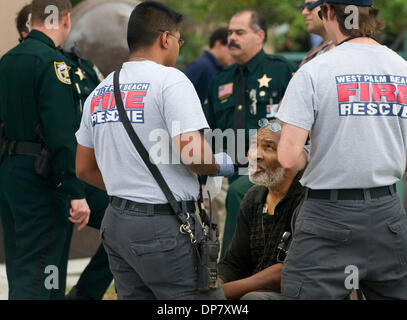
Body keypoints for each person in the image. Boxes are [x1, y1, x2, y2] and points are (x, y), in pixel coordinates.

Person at [75, 1, 234, 300]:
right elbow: (193, 155)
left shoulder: (100, 91)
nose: (178, 46)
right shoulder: (170, 80)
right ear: (165, 38)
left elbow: (83, 168)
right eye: (179, 39)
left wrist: (132, 187)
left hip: (117, 222)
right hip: (163, 227)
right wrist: (221, 164)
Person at [277, 0, 407, 299]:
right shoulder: (401, 68)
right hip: (387, 214)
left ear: (328, 12)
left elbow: (287, 157)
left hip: (327, 215)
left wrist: (318, 154)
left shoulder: (314, 72)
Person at [13, 3, 113, 300]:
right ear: (26, 31)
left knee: (125, 219)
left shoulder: (79, 65)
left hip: (86, 170)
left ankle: (84, 294)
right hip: (51, 171)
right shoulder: (30, 65)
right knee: (45, 263)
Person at [0, 0, 90, 300]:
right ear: (64, 19)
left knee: (22, 264)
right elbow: (61, 135)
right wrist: (75, 191)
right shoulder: (52, 63)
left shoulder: (8, 60)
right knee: (40, 271)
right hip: (40, 177)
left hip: (10, 173)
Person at [204, 10, 296, 257]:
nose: (231, 38)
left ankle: (229, 281)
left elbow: (296, 124)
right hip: (227, 174)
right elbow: (209, 131)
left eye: (239, 32)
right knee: (221, 240)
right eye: (229, 32)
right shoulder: (220, 79)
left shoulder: (282, 71)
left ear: (260, 36)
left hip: (270, 173)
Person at [219, 119, 306, 300]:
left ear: (293, 154)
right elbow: (234, 263)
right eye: (253, 146)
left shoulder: (309, 199)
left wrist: (222, 293)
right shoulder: (253, 197)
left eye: (268, 147)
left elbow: (289, 270)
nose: (255, 155)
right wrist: (215, 284)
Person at [184, 27, 234, 105]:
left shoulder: (222, 69)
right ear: (218, 45)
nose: (233, 53)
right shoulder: (200, 66)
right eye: (230, 48)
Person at [299, 0, 335, 67]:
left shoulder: (342, 50)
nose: (304, 12)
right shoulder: (315, 51)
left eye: (310, 5)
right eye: (304, 7)